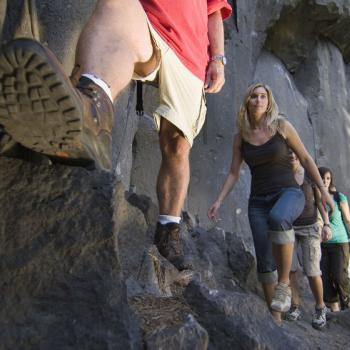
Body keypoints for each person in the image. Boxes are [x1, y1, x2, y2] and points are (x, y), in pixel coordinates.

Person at [0, 0, 232, 270]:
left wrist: (218, 59)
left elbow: (214, 11)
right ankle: (92, 115)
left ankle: (169, 230)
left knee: (177, 146)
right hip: (149, 22)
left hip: (191, 56)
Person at [207, 83, 334, 324]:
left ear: (269, 100)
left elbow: (306, 158)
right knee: (265, 259)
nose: (258, 100)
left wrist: (324, 192)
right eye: (253, 96)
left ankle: (284, 285)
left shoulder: (281, 127)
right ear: (247, 102)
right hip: (258, 202)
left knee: (279, 218)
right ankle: (276, 321)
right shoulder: (240, 138)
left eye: (263, 96)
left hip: (289, 193)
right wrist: (218, 200)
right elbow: (234, 173)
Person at [284, 153, 331, 330]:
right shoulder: (282, 176)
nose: (291, 155)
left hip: (310, 227)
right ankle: (295, 306)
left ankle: (320, 307)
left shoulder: (310, 175)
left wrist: (326, 224)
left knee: (312, 271)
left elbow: (320, 202)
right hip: (288, 227)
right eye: (287, 153)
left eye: (294, 152)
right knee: (290, 269)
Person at [318, 167, 350, 311]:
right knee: (325, 279)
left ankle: (347, 303)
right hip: (322, 244)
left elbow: (348, 219)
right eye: (322, 178)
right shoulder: (314, 197)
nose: (325, 181)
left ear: (331, 180)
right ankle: (335, 311)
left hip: (340, 242)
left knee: (339, 277)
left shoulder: (338, 197)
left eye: (328, 178)